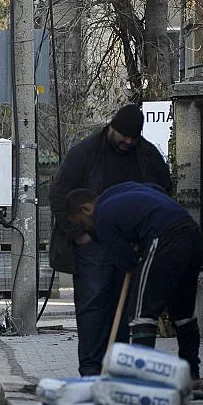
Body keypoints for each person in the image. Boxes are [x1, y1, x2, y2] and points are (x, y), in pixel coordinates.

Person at [49, 104, 171, 376]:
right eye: (124, 136)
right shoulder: (86, 153)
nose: (128, 141)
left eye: (134, 137)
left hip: (130, 246)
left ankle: (117, 371)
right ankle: (91, 371)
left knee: (124, 307)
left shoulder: (147, 155)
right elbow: (58, 195)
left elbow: (164, 190)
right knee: (93, 307)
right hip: (95, 246)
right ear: (112, 127)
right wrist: (78, 234)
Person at [65, 183, 203, 380]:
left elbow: (128, 263)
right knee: (183, 312)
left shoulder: (102, 217)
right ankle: (192, 375)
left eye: (82, 223)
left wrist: (135, 248)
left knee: (141, 313)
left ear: (86, 208)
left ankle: (140, 380)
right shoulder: (116, 192)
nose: (86, 228)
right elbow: (157, 189)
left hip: (164, 237)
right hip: (191, 232)